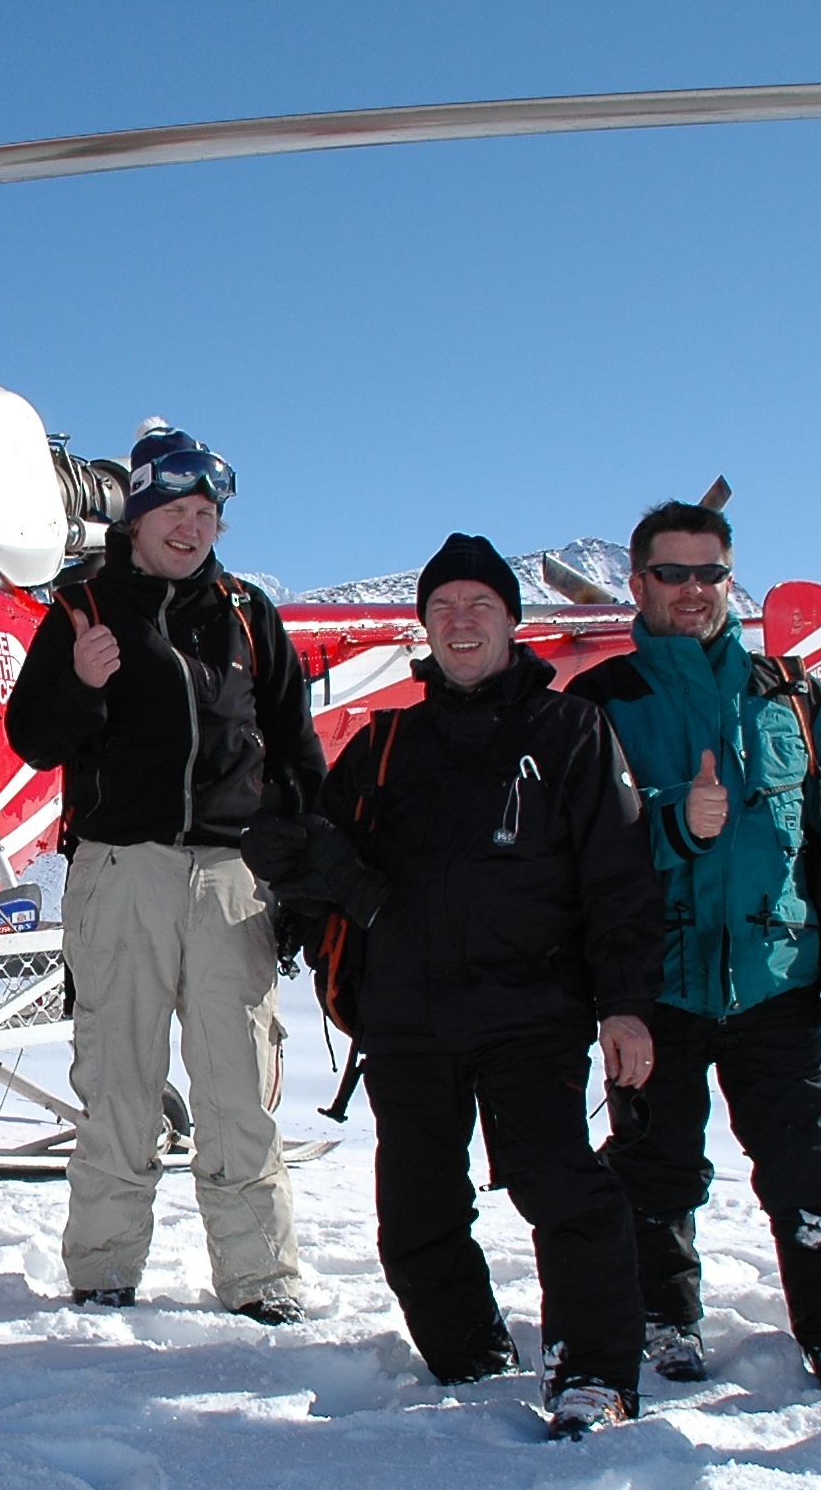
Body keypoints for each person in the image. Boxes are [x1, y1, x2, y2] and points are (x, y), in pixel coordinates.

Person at [245, 534, 661, 1437]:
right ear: (423, 630)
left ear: (513, 623)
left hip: (532, 1015)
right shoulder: (386, 743)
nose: (462, 622)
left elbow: (619, 880)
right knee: (416, 1214)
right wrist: (311, 870)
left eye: (480, 606)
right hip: (409, 1021)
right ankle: (470, 1358)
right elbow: (313, 850)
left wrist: (626, 1003)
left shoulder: (570, 731)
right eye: (443, 609)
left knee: (564, 1191)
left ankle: (594, 1372)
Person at [569, 499, 821, 1389]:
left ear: (731, 580)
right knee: (655, 1162)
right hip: (656, 984)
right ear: (638, 583)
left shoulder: (793, 696)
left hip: (777, 977)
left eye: (710, 573)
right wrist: (675, 822)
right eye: (673, 574)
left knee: (811, 1158)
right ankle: (660, 1319)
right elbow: (576, 845)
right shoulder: (601, 703)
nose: (693, 590)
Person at [3, 424, 319, 1323]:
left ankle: (261, 1279)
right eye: (174, 511)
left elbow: (296, 752)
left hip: (231, 875)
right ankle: (104, 1268)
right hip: (122, 870)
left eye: (206, 513)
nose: (190, 527)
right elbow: (32, 738)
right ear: (135, 518)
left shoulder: (250, 616)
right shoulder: (82, 612)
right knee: (120, 1081)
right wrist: (80, 684)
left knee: (237, 1085)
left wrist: (296, 870)